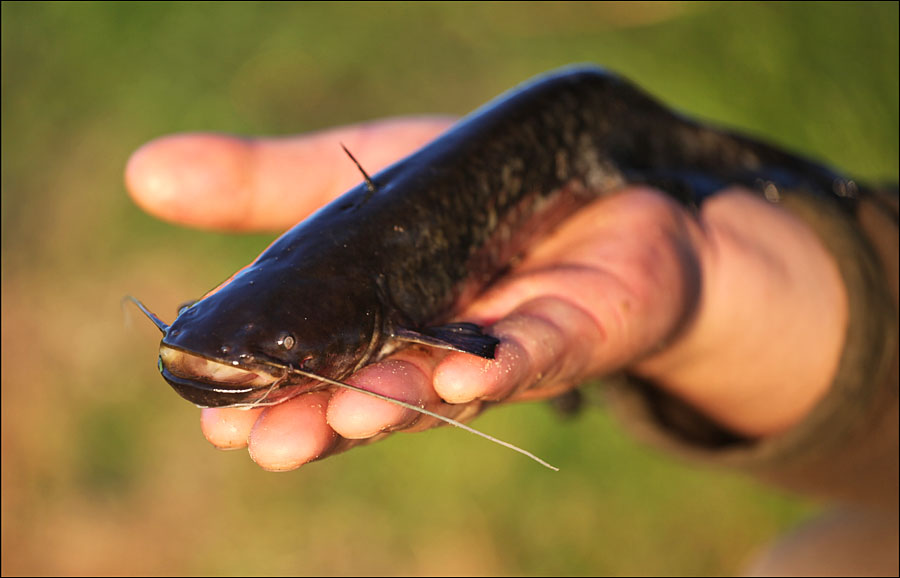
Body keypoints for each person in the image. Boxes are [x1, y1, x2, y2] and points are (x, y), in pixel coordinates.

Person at [126, 116, 897, 575]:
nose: (239, 360)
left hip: (588, 118)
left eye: (279, 349)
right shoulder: (329, 297)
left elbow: (470, 345)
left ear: (377, 323)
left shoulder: (384, 312)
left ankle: (817, 193)